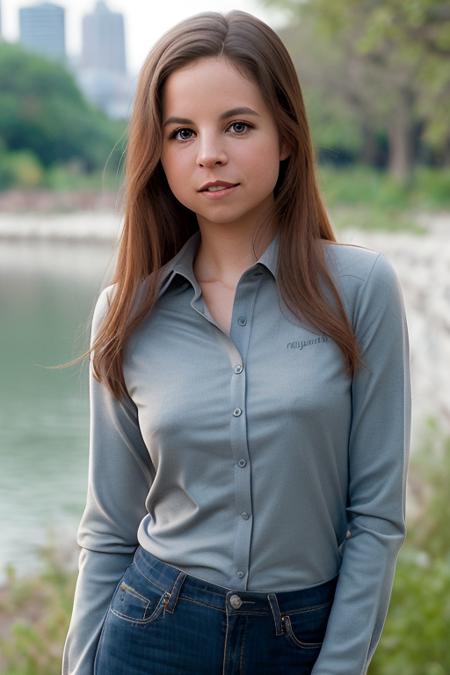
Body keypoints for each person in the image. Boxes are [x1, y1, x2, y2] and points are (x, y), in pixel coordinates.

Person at [61, 9, 411, 675]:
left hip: (302, 635)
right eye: (182, 133)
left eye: (238, 125)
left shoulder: (361, 290)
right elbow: (108, 527)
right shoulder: (126, 312)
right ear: (158, 153)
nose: (209, 154)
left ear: (286, 136)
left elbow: (376, 518)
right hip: (151, 629)